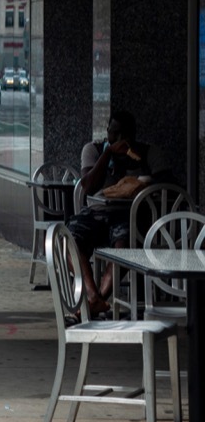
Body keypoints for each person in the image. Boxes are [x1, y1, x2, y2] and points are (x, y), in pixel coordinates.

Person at [67, 109, 174, 315]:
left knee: (125, 244)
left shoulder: (149, 153)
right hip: (97, 213)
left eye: (124, 135)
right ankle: (92, 296)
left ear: (133, 135)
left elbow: (169, 183)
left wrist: (145, 182)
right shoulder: (94, 150)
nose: (119, 139)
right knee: (69, 239)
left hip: (131, 216)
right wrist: (108, 154)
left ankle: (99, 299)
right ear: (106, 131)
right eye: (113, 133)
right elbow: (88, 185)